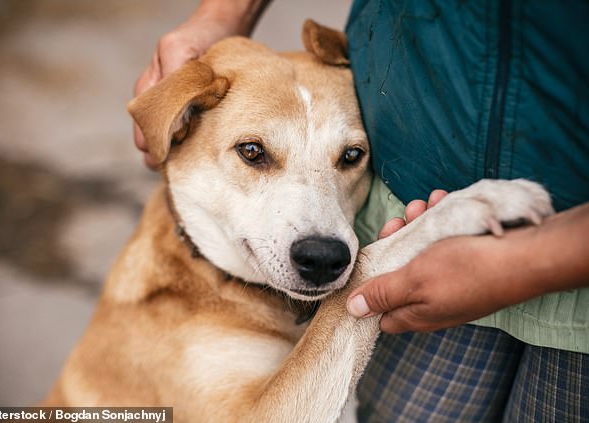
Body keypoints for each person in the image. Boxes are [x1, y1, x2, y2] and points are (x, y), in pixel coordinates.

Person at [132, 1, 589, 421]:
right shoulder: (154, 312)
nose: (315, 228)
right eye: (254, 152)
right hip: (425, 228)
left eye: (348, 157)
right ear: (181, 124)